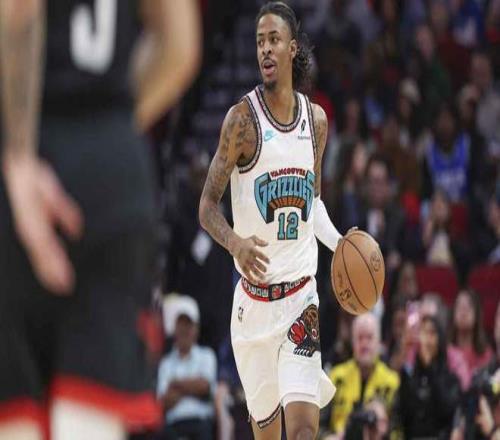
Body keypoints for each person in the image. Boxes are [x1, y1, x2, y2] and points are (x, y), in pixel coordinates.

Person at [0, 1, 201, 440]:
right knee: (89, 422)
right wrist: (108, 135)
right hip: (115, 174)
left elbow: (18, 10)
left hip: (30, 162)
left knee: (16, 421)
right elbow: (179, 47)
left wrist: (18, 156)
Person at [198, 2, 344, 439]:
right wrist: (235, 243)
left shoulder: (316, 122)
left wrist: (342, 243)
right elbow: (206, 206)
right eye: (259, 41)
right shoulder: (241, 122)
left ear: (292, 48)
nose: (265, 48)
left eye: (274, 40)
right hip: (253, 309)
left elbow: (312, 205)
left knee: (302, 432)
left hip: (301, 300)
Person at [324, 314, 399, 439]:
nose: (364, 344)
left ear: (379, 342)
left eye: (369, 338)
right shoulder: (336, 377)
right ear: (352, 342)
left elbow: (399, 431)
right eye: (360, 338)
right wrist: (329, 437)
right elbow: (319, 425)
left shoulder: (392, 382)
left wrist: (384, 433)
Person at [156, 296, 217, 440]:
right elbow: (162, 402)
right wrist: (192, 388)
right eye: (181, 325)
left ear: (196, 329)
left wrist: (175, 384)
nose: (185, 330)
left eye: (188, 325)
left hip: (200, 424)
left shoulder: (207, 355)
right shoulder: (165, 363)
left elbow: (204, 387)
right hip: (173, 427)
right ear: (175, 329)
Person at [396, 315, 461, 439]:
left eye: (432, 333)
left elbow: (446, 412)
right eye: (423, 332)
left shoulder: (451, 380)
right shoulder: (410, 378)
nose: (426, 339)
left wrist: (430, 368)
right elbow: (403, 414)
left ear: (440, 339)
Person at [448, 289, 493, 391]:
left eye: (468, 307)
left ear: (477, 314)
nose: (463, 312)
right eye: (459, 306)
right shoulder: (445, 351)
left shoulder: (486, 354)